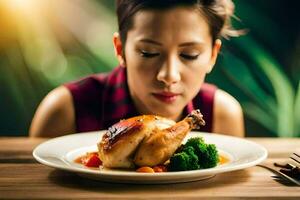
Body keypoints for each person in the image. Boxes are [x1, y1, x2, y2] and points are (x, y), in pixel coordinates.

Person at [29, 0, 244, 138]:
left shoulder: (221, 116)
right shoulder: (64, 111)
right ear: (120, 49)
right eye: (148, 53)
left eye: (189, 55)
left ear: (212, 55)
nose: (168, 75)